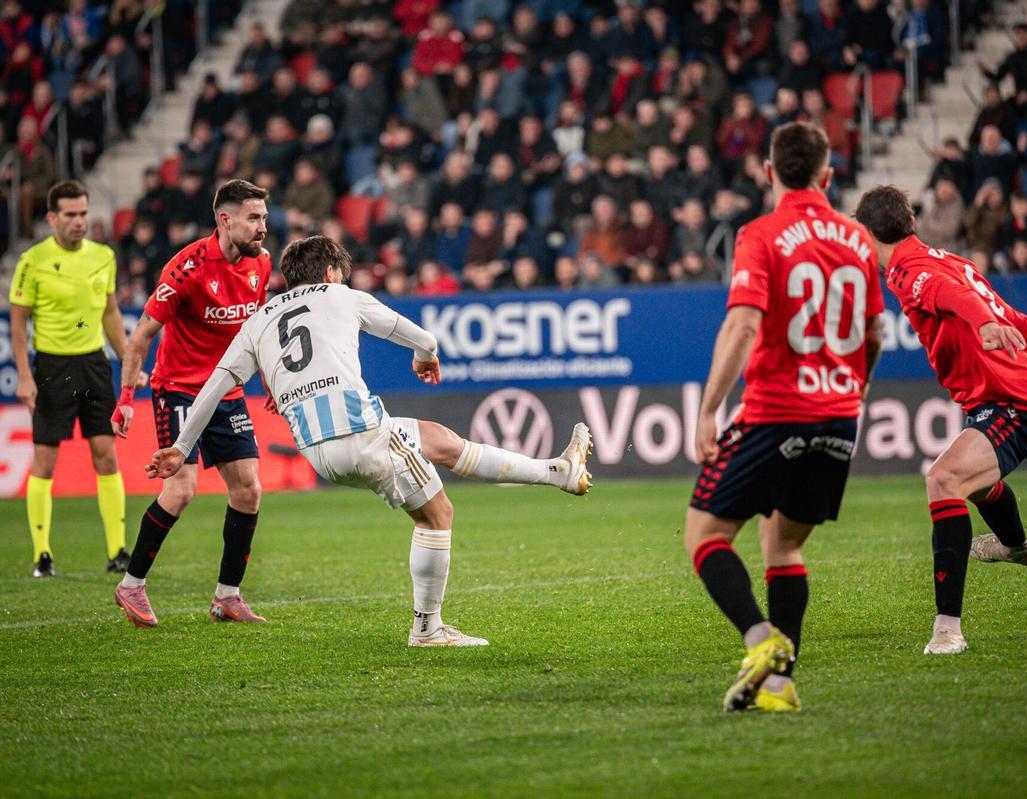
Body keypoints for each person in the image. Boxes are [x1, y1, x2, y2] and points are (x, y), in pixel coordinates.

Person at [144, 235, 595, 647]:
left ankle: (558, 472)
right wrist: (425, 357)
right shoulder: (343, 295)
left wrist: (182, 447)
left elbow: (215, 384)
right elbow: (422, 337)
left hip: (318, 450)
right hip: (362, 433)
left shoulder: (260, 319)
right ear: (330, 273)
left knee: (439, 441)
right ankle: (428, 629)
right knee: (438, 515)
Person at [854, 185, 1027, 656]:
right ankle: (1016, 547)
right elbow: (1018, 319)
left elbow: (953, 299)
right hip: (999, 399)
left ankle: (947, 630)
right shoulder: (952, 260)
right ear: (911, 221)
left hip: (1015, 404)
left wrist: (981, 324)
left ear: (866, 234)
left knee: (942, 480)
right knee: (976, 485)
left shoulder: (907, 272)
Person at [686, 122, 885, 713]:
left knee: (704, 536)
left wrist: (709, 410)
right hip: (839, 415)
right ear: (828, 175)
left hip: (775, 413)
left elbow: (744, 325)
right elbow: (872, 334)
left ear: (768, 173)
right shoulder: (857, 239)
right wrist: (856, 391)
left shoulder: (762, 233)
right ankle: (779, 685)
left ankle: (758, 641)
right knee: (785, 546)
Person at [111, 180, 274, 628]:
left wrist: (273, 386)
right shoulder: (187, 268)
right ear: (225, 220)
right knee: (181, 490)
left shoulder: (261, 264)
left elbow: (255, 335)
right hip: (179, 388)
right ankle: (131, 585)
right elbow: (141, 336)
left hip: (227, 390)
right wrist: (126, 398)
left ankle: (227, 596)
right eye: (253, 218)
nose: (263, 226)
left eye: (263, 217)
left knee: (249, 489)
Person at [8, 181, 139, 578]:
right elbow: (17, 323)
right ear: (52, 218)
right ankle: (42, 554)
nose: (80, 221)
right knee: (45, 461)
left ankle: (118, 550)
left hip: (94, 366)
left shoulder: (103, 256)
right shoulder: (32, 261)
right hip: (51, 368)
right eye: (70, 214)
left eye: (83, 213)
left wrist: (127, 357)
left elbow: (110, 312)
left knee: (106, 456)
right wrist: (26, 377)